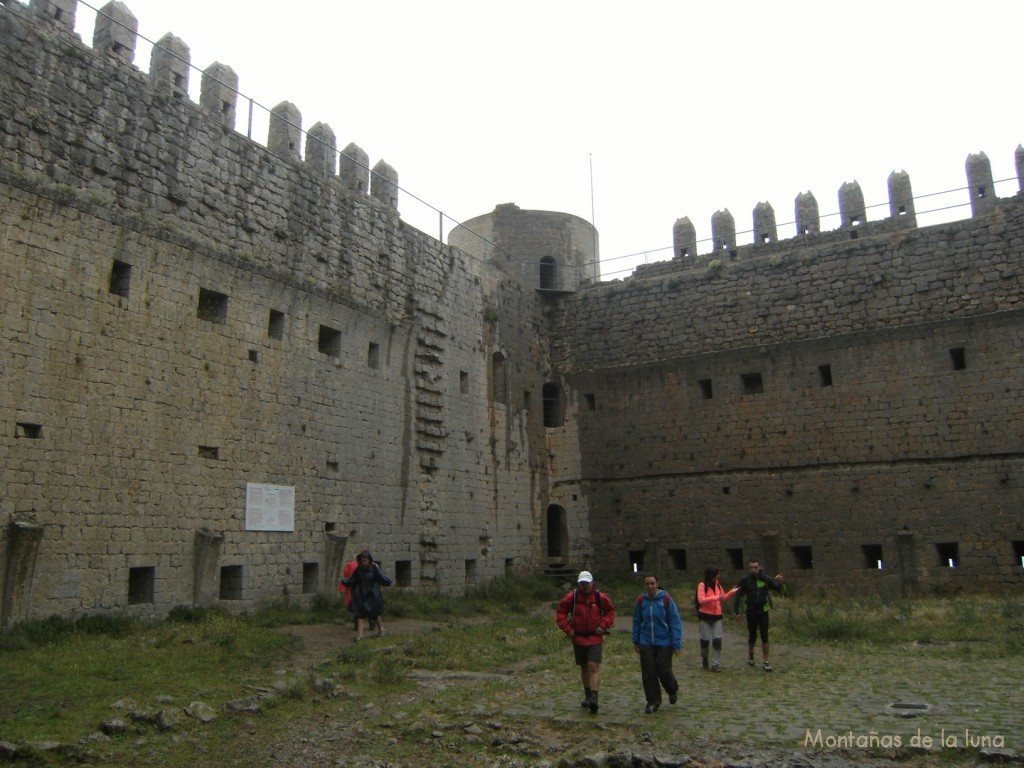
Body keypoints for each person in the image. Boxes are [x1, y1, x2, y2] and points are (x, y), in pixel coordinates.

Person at [555, 570, 616, 714]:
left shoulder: (600, 597)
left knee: (593, 666)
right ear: (578, 584)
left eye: (587, 583)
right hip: (578, 637)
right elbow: (561, 613)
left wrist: (603, 625)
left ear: (592, 583)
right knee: (584, 667)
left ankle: (594, 697)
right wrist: (567, 629)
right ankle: (588, 695)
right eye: (582, 583)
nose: (585, 586)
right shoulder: (572, 597)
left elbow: (610, 612)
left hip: (595, 637)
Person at [631, 573, 682, 714]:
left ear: (657, 584)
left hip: (664, 641)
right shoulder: (641, 601)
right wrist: (636, 640)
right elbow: (637, 621)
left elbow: (674, 621)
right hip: (646, 641)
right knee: (649, 672)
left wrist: (676, 643)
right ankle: (653, 701)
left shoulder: (665, 599)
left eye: (652, 583)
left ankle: (672, 689)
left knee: (664, 670)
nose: (650, 586)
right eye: (647, 584)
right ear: (644, 586)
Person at [733, 559, 785, 671]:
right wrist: (736, 611)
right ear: (748, 568)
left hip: (763, 611)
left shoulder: (766, 579)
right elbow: (738, 595)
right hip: (751, 611)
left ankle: (766, 661)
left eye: (755, 567)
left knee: (764, 636)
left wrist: (781, 582)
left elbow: (779, 589)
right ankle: (751, 655)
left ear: (759, 567)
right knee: (752, 636)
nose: (753, 570)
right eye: (751, 567)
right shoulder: (745, 580)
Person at [340, 549, 393, 642]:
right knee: (361, 615)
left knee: (375, 614)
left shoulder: (374, 568)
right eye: (362, 561)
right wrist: (344, 581)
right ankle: (360, 636)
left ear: (369, 560)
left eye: (365, 561)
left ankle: (381, 629)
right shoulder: (359, 569)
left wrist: (388, 582)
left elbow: (381, 577)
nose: (363, 562)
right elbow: (353, 579)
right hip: (361, 594)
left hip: (372, 594)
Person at [696, 567, 738, 672]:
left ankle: (716, 664)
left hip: (717, 616)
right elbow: (701, 600)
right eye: (717, 574)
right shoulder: (702, 585)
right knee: (704, 641)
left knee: (717, 641)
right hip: (705, 616)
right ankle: (704, 659)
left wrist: (732, 592)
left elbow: (723, 598)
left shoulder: (718, 584)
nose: (719, 576)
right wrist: (715, 598)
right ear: (712, 576)